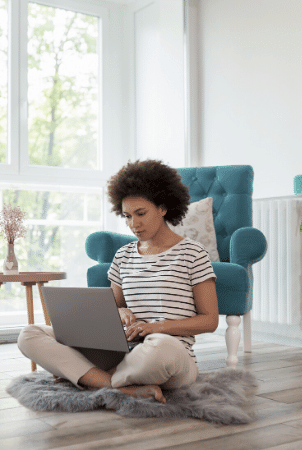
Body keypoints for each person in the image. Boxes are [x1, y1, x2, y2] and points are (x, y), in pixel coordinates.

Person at [17, 159, 219, 403]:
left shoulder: (192, 253)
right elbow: (112, 306)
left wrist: (156, 328)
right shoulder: (123, 255)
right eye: (127, 216)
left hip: (168, 355)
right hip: (124, 352)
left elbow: (210, 320)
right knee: (29, 334)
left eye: (141, 213)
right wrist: (120, 312)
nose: (134, 224)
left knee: (160, 348)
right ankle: (118, 386)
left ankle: (89, 379)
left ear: (163, 207)